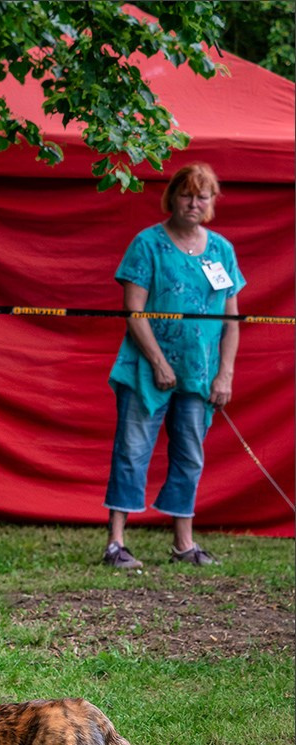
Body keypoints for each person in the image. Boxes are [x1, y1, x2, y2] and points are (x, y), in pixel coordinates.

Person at [102, 162, 245, 570]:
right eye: (186, 194)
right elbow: (134, 311)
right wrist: (159, 362)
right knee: (132, 452)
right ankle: (116, 543)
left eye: (203, 196)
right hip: (147, 368)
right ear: (172, 197)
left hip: (200, 374)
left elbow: (232, 321)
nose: (194, 202)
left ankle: (184, 543)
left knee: (190, 455)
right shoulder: (146, 244)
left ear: (213, 202)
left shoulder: (222, 250)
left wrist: (225, 373)